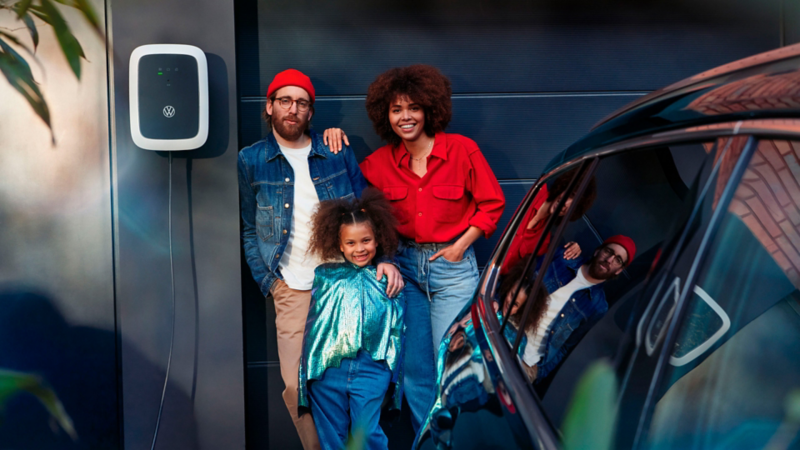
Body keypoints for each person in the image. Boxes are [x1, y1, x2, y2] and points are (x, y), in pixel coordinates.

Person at [325, 64, 505, 431]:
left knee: (455, 361)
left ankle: (466, 438)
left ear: (429, 110)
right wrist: (329, 136)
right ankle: (434, 440)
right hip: (405, 271)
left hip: (453, 269)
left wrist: (460, 246)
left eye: (413, 108)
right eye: (396, 110)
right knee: (416, 370)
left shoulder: (462, 150)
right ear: (385, 116)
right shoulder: (377, 165)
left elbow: (492, 204)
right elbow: (345, 192)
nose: (405, 117)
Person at [237, 69, 403, 450]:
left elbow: (368, 212)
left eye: (301, 103)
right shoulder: (252, 160)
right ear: (269, 106)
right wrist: (269, 281)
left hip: (345, 283)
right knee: (298, 388)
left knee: (354, 384)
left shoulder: (335, 150)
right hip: (292, 287)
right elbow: (249, 228)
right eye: (285, 101)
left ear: (311, 112)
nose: (292, 109)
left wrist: (387, 257)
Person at [298, 189, 405, 450]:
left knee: (367, 434)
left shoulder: (388, 279)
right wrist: (309, 374)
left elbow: (397, 330)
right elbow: (314, 330)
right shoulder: (325, 276)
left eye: (366, 240)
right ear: (338, 245)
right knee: (331, 437)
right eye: (351, 243)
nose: (360, 249)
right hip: (328, 371)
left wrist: (390, 373)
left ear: (377, 240)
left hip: (371, 370)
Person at [507, 235, 636, 382]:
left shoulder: (598, 306)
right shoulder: (564, 258)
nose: (609, 260)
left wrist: (539, 371)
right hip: (507, 327)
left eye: (618, 260)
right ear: (598, 251)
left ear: (619, 270)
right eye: (608, 252)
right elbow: (522, 277)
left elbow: (567, 347)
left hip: (527, 362)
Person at [502, 167, 597, 274]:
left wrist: (573, 248)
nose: (566, 204)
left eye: (573, 205)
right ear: (564, 186)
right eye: (571, 194)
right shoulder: (535, 191)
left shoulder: (544, 240)